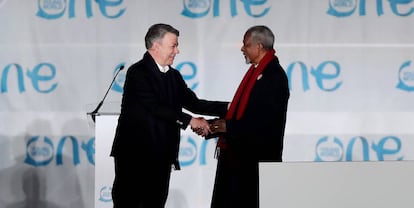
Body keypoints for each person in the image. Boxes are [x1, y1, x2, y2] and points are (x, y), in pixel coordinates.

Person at [110, 23, 228, 208]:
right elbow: (155, 107)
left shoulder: (174, 76)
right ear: (156, 46)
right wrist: (190, 120)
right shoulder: (138, 73)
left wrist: (232, 107)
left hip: (162, 157)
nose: (177, 51)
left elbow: (195, 103)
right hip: (135, 157)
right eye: (173, 45)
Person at [208, 25, 290, 208]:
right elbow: (241, 112)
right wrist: (216, 126)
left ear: (259, 46)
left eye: (246, 45)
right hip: (239, 160)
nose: (242, 49)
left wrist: (228, 127)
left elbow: (264, 121)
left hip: (255, 162)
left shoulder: (274, 76)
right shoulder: (256, 72)